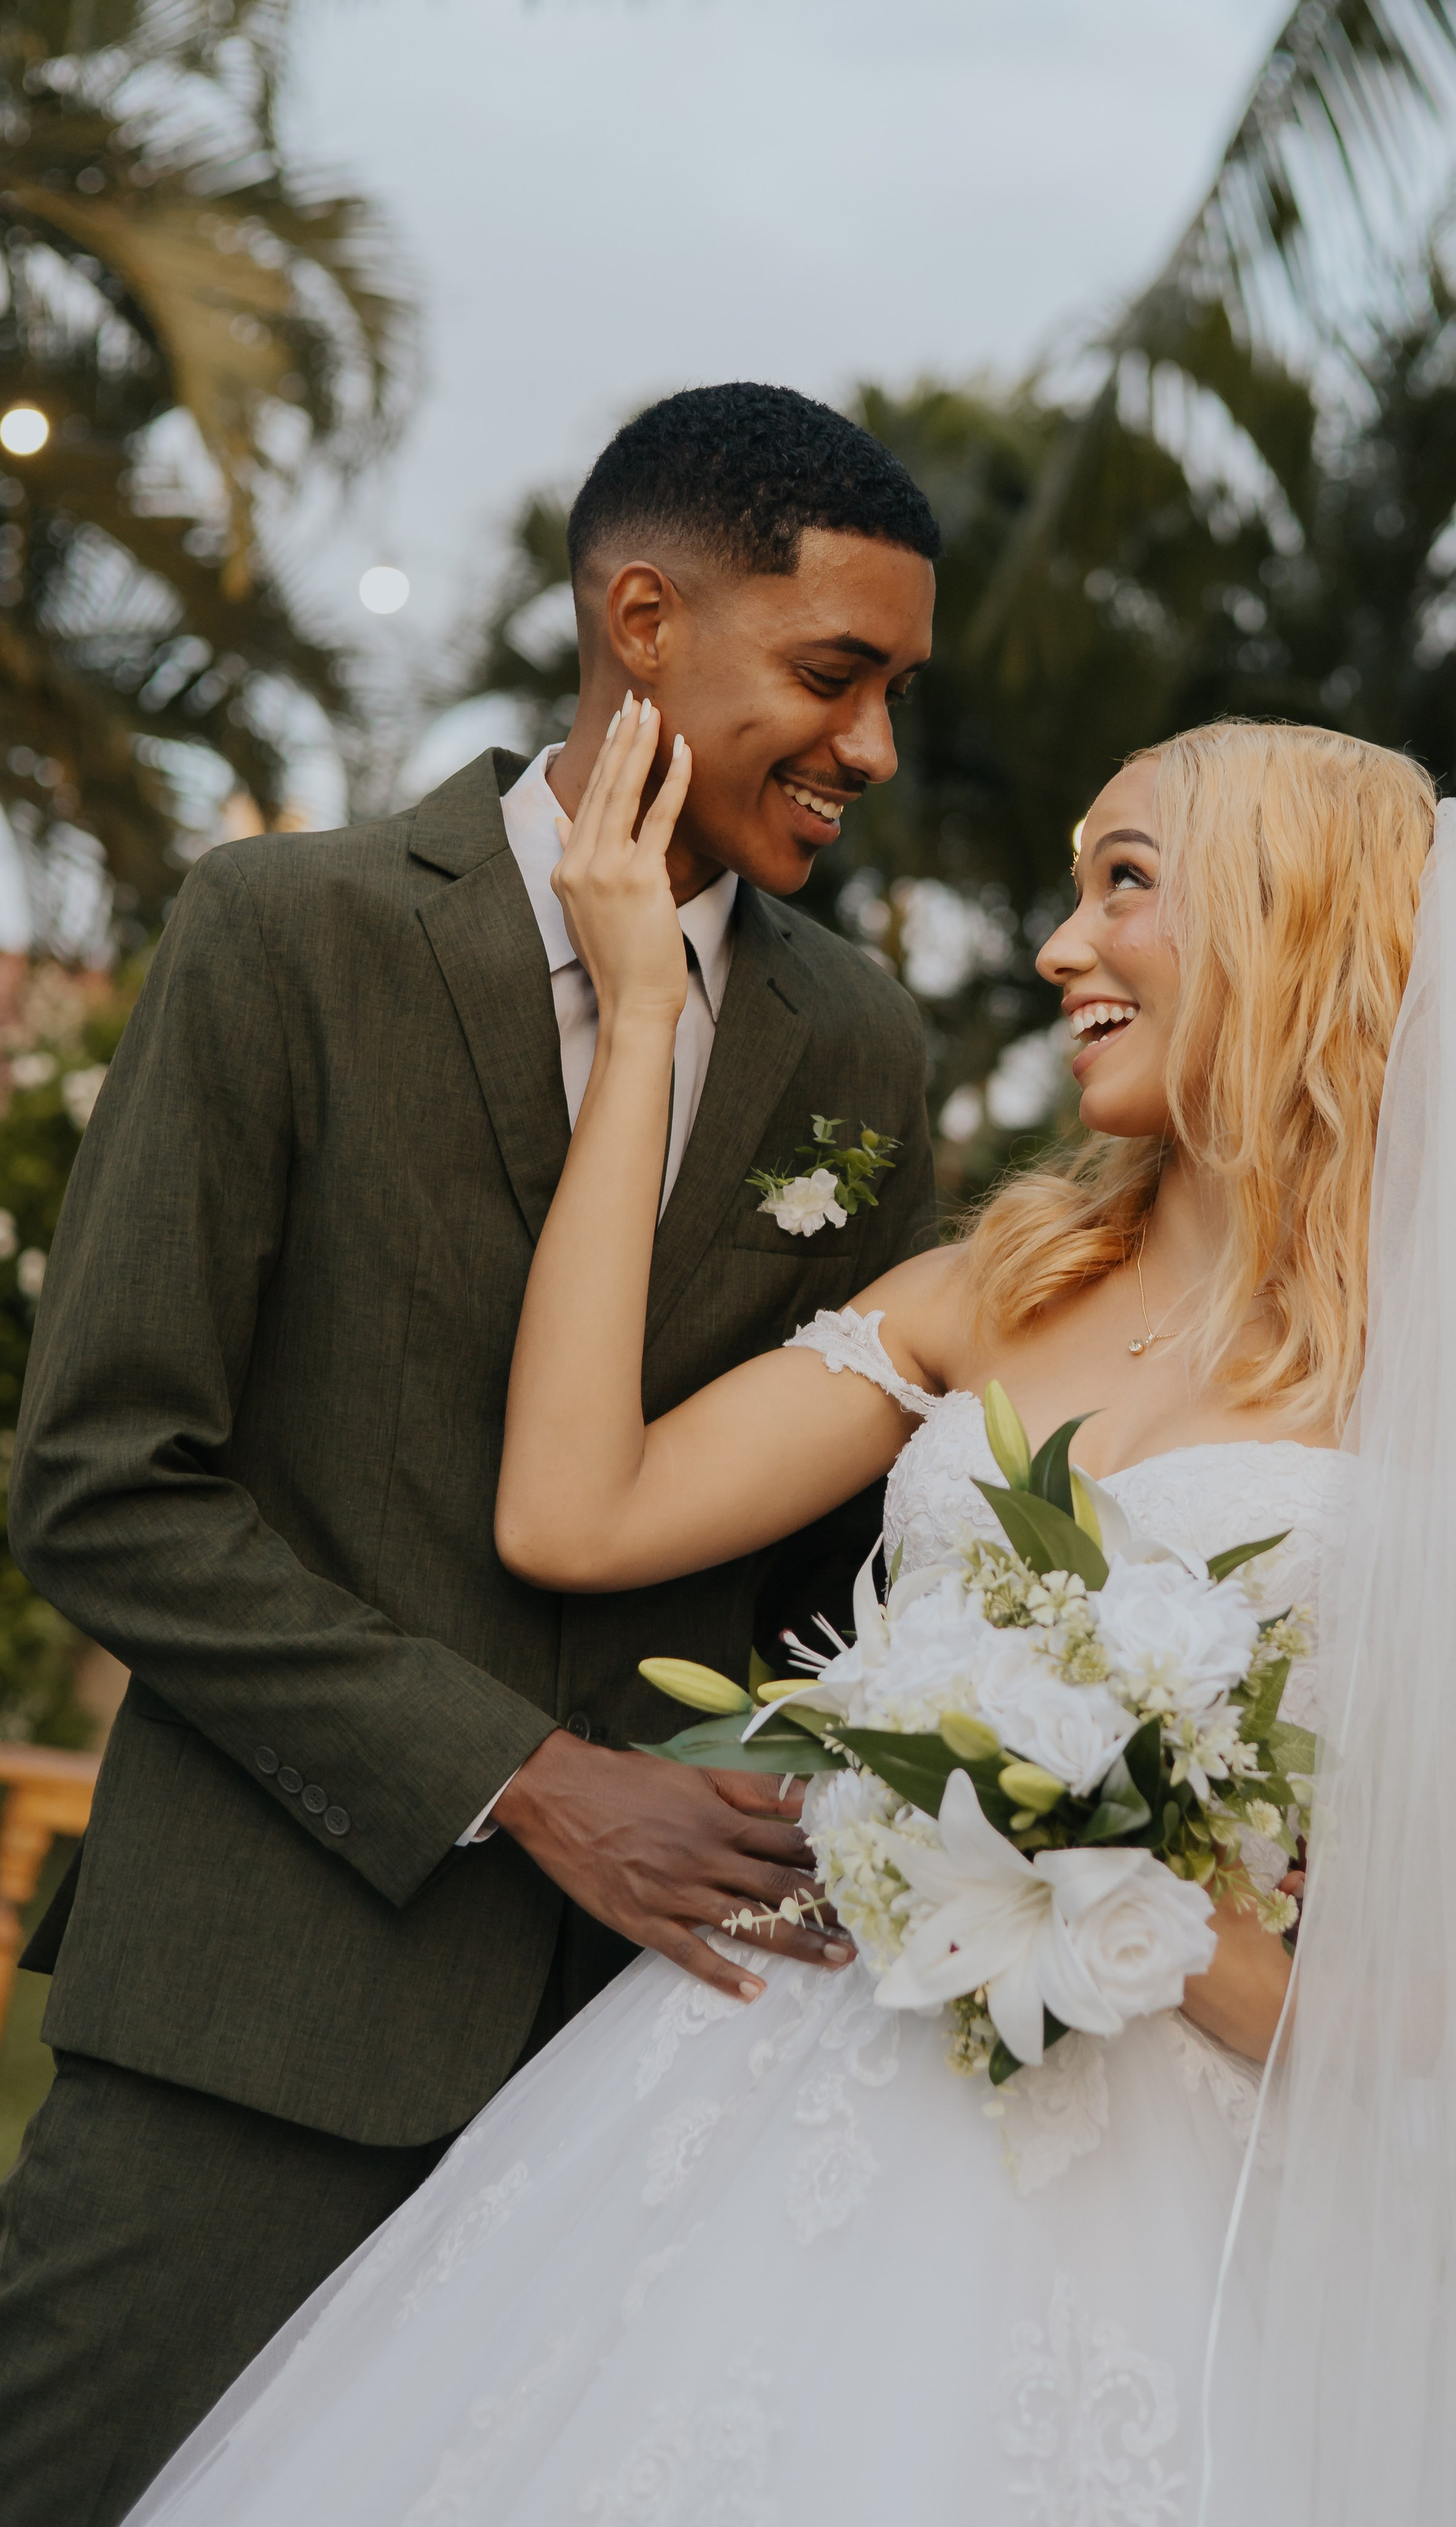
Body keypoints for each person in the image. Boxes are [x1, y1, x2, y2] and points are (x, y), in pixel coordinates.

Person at [120, 713, 1456, 2526]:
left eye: (1126, 887)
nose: (1060, 949)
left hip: (1203, 2204)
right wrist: (641, 1023)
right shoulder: (984, 1297)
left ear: (1288, 927)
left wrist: (1312, 2012)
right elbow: (571, 1509)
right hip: (772, 2127)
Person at [0, 382, 943, 2526]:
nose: (873, 749)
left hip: (655, 2064)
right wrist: (519, 1779)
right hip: (260, 2025)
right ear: (641, 621)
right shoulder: (286, 934)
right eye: (831, 676)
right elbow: (105, 1480)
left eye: (894, 693)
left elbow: (834, 1557)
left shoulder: (865, 1045)